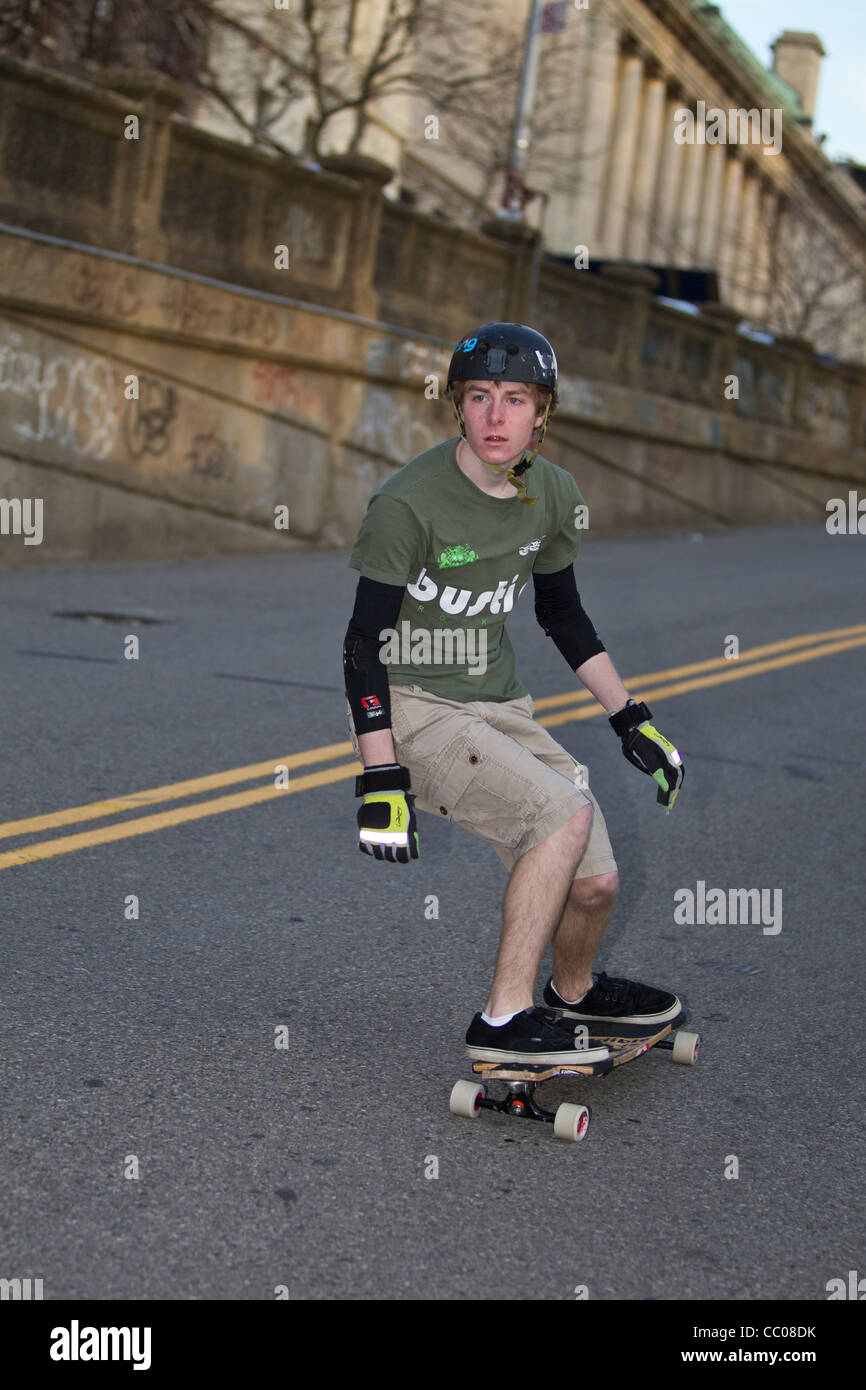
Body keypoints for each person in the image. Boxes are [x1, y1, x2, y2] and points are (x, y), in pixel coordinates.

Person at [343, 323, 686, 1065]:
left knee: (595, 882)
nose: (496, 417)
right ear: (458, 408)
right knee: (561, 817)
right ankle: (503, 1020)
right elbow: (362, 646)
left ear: (541, 414)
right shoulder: (408, 505)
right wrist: (379, 777)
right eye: (479, 398)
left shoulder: (553, 494)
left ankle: (572, 992)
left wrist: (632, 719)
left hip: (499, 707)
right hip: (413, 708)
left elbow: (561, 614)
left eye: (515, 399)